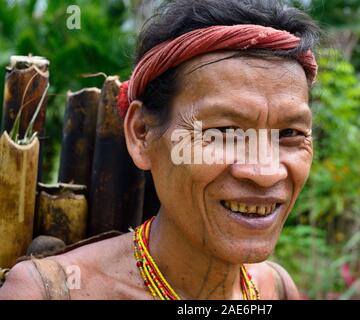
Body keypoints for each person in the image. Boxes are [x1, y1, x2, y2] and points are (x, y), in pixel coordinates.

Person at [0, 0, 319, 300]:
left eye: (290, 133)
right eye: (225, 132)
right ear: (142, 134)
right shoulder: (48, 291)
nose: (265, 172)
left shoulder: (275, 288)